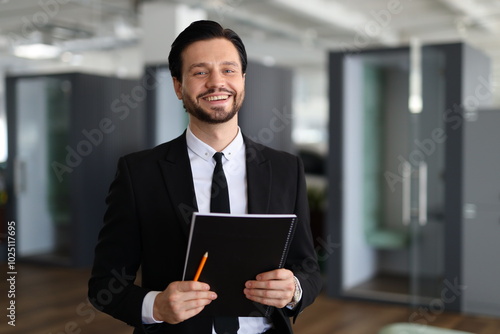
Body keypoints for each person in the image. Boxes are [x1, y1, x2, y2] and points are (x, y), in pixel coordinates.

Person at [88, 20, 322, 334]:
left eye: (228, 70)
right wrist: (155, 305)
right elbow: (105, 285)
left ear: (242, 79)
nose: (216, 83)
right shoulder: (139, 173)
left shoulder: (285, 168)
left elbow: (307, 267)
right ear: (178, 86)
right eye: (200, 72)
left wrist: (294, 289)